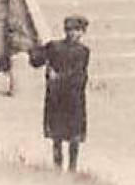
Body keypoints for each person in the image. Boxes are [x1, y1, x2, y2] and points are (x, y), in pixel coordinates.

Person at [29, 14, 91, 171]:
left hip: (73, 97)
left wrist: (57, 77)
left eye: (78, 30)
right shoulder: (54, 47)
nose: (74, 34)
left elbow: (78, 73)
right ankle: (57, 168)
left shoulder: (83, 51)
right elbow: (36, 61)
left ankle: (72, 169)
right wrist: (33, 50)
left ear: (82, 32)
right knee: (57, 136)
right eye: (70, 30)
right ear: (65, 31)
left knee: (73, 137)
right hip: (58, 97)